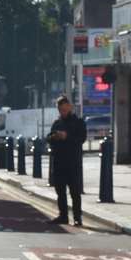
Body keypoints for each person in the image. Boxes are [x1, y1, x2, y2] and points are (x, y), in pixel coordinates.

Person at [47, 94, 86, 226]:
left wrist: (66, 136)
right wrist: (54, 137)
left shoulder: (78, 122)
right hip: (59, 162)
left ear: (70, 107)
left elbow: (81, 139)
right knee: (60, 192)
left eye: (64, 109)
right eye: (60, 110)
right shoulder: (57, 123)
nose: (62, 112)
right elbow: (49, 139)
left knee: (75, 192)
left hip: (73, 163)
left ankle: (77, 217)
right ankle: (63, 216)